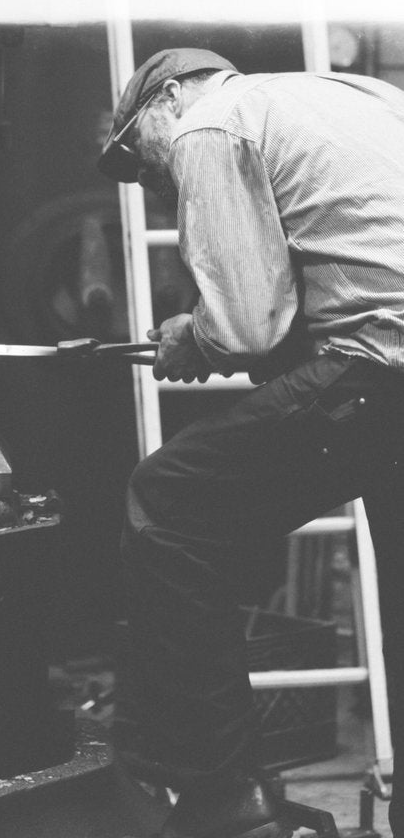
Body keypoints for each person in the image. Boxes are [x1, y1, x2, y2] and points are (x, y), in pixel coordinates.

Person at [98, 48, 404, 838]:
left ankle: (224, 798)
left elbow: (246, 323)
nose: (156, 187)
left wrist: (190, 340)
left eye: (142, 165)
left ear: (166, 98)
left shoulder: (208, 126)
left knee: (170, 504)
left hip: (382, 367)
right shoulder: (349, 94)